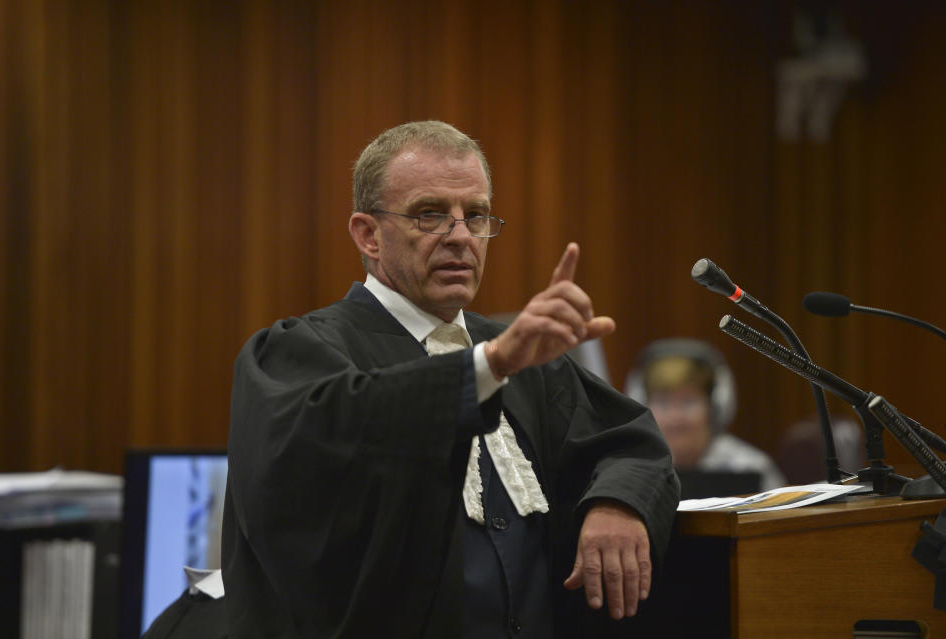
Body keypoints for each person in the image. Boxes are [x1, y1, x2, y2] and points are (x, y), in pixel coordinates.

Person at [221, 120, 680, 638]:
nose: (460, 236)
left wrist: (617, 504)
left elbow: (631, 442)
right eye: (430, 214)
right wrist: (490, 366)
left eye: (476, 216)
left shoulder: (522, 355)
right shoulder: (300, 351)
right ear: (368, 234)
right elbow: (351, 431)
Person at [625, 338, 786, 491]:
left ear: (715, 406)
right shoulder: (627, 471)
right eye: (663, 403)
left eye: (688, 402)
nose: (675, 417)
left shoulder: (750, 467)